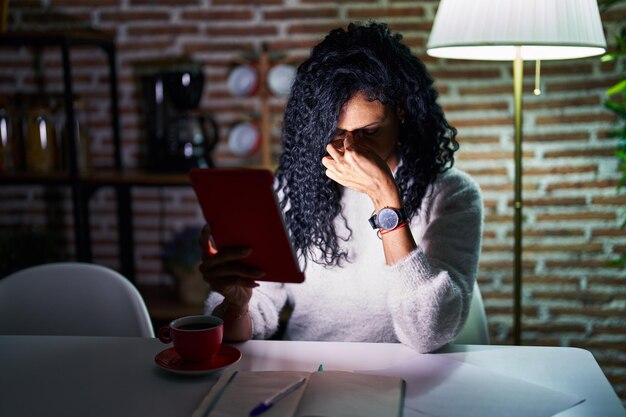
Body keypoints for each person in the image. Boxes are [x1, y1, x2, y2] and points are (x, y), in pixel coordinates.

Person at [199, 21, 483, 353]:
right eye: (336, 133)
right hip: (310, 368)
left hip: (407, 373)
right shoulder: (293, 189)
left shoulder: (453, 194)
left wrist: (385, 200)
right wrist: (237, 304)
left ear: (401, 113)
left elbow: (430, 333)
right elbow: (249, 319)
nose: (351, 149)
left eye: (370, 131)